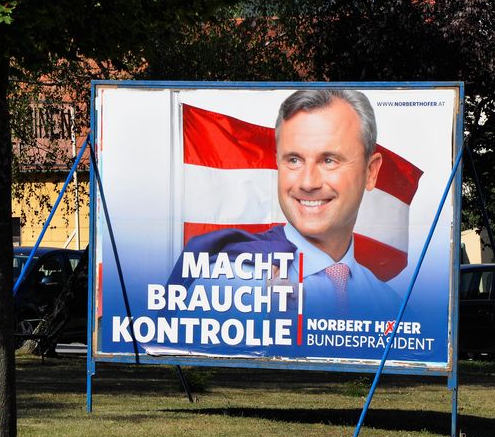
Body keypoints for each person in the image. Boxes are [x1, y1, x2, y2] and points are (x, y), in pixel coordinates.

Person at [169, 89, 399, 318]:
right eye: (294, 160)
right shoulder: (224, 286)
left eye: (329, 160)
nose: (308, 182)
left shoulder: (395, 310)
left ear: (370, 172)